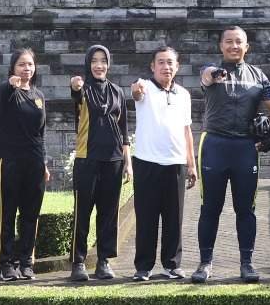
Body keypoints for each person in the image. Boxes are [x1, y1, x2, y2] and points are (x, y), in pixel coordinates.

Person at [193, 26, 270, 284]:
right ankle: (205, 263)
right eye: (229, 42)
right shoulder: (212, 71)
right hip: (214, 145)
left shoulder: (258, 75)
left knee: (246, 209)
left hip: (245, 148)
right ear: (221, 46)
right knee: (210, 208)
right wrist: (214, 74)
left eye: (239, 42)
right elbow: (206, 76)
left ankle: (247, 264)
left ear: (246, 47)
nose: (234, 46)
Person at [129, 45, 196, 281]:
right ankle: (143, 267)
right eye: (161, 62)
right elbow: (136, 94)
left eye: (170, 63)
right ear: (152, 66)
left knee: (174, 219)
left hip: (176, 163)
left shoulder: (184, 94)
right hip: (146, 162)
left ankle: (172, 265)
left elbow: (187, 130)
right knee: (146, 218)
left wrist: (191, 164)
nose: (166, 67)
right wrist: (135, 90)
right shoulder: (144, 87)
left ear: (177, 67)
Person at [69, 44, 129, 283]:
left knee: (108, 213)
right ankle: (78, 261)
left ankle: (104, 260)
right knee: (82, 212)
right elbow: (75, 93)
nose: (99, 65)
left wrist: (127, 161)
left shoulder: (117, 91)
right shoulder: (83, 89)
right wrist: (75, 86)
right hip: (87, 159)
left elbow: (124, 130)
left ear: (108, 64)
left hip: (113, 160)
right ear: (88, 63)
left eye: (103, 61)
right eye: (94, 60)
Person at [0, 47, 50, 281]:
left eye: (30, 64)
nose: (26, 68)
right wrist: (12, 84)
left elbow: (41, 133)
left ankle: (27, 262)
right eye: (21, 64)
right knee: (7, 212)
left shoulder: (39, 96)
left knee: (31, 214)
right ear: (13, 68)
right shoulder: (7, 91)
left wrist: (44, 163)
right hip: (9, 160)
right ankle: (6, 263)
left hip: (34, 161)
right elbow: (5, 94)